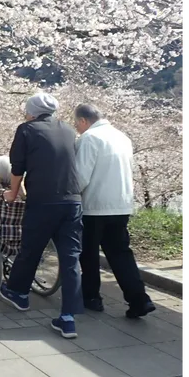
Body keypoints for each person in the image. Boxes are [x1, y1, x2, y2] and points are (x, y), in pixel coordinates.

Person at [0, 93, 83, 339]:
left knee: (31, 249)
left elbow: (17, 167)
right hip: (72, 201)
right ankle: (68, 318)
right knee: (71, 258)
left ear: (32, 112)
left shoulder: (26, 129)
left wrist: (13, 194)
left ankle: (18, 293)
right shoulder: (68, 130)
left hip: (43, 201)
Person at [74, 104, 156, 319]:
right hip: (121, 205)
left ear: (83, 120)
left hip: (94, 206)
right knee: (121, 254)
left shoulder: (89, 138)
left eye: (76, 124)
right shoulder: (122, 137)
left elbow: (81, 177)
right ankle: (139, 299)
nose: (77, 128)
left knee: (88, 254)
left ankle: (91, 297)